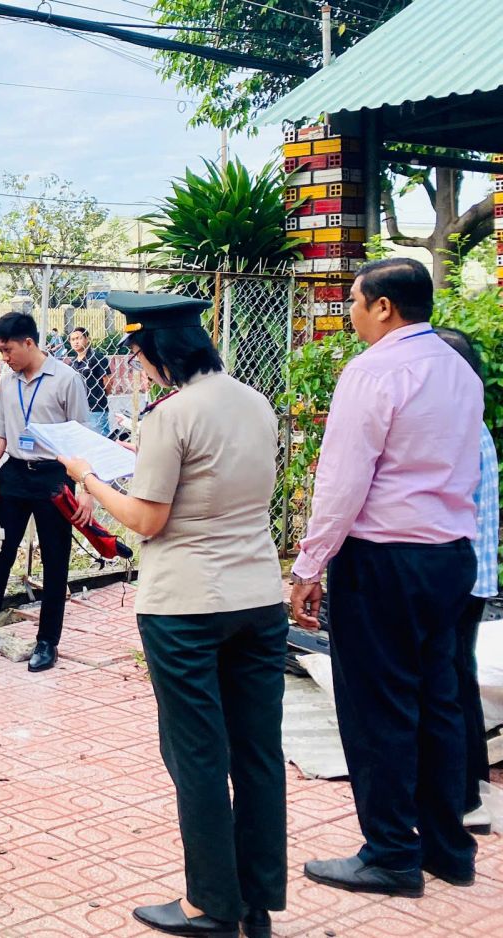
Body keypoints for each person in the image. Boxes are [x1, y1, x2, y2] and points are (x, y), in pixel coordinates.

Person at [58, 292, 284, 938]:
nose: (139, 366)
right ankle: (256, 901)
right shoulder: (255, 402)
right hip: (258, 599)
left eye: (138, 354)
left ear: (158, 354)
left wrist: (89, 478)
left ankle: (211, 904)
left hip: (187, 606)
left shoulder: (171, 415)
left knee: (198, 754)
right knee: (257, 753)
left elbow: (148, 519)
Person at [289, 258, 482, 898]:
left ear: (383, 307)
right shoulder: (458, 368)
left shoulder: (373, 371)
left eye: (353, 300)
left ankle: (392, 853)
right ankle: (448, 848)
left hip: (384, 559)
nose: (348, 311)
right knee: (440, 701)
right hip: (449, 554)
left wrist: (309, 565)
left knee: (379, 706)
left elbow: (342, 482)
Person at [0, 310, 94, 674]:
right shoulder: (7, 381)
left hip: (54, 476)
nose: (4, 358)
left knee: (55, 560)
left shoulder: (66, 379)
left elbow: (81, 438)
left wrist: (86, 489)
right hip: (15, 473)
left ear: (29, 343)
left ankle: (47, 641)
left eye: (7, 350)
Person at [433, 328, 497, 836]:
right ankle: (470, 783)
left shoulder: (457, 431)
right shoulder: (473, 425)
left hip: (456, 574)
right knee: (458, 678)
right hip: (472, 575)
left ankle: (464, 796)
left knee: (446, 685)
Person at [68, 326, 113, 436]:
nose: (76, 342)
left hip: (96, 408)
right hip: (78, 410)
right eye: (73, 339)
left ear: (87, 339)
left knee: (100, 439)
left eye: (79, 338)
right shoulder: (72, 363)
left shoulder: (97, 358)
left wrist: (100, 396)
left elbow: (107, 382)